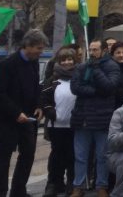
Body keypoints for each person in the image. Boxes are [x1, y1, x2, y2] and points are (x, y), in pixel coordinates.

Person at [0, 29, 47, 197]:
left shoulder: (33, 62)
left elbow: (36, 87)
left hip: (27, 119)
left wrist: (39, 105)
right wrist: (16, 113)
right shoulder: (8, 64)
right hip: (6, 120)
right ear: (28, 46)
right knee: (2, 160)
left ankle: (18, 191)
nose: (41, 52)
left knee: (28, 154)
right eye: (39, 48)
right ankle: (0, 193)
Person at [70, 39, 123, 197]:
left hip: (102, 119)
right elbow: (75, 88)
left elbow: (109, 87)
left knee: (102, 155)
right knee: (80, 156)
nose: (92, 53)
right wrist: (95, 91)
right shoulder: (81, 67)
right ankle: (78, 186)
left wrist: (97, 71)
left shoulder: (112, 66)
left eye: (95, 50)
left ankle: (101, 186)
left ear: (104, 50)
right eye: (90, 49)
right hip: (83, 118)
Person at [40, 47, 78, 197]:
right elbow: (44, 98)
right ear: (59, 62)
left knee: (72, 155)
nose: (67, 62)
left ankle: (72, 183)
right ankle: (54, 183)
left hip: (75, 125)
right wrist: (51, 112)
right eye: (64, 60)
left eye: (70, 59)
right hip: (56, 126)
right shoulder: (52, 80)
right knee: (57, 156)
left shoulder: (79, 78)